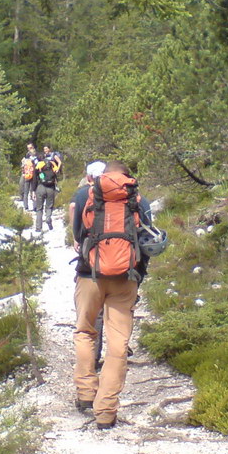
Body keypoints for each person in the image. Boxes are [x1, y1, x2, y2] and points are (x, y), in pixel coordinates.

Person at [71, 160, 150, 429]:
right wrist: (138, 275)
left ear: (104, 174)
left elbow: (78, 234)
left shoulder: (87, 193)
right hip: (125, 278)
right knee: (118, 345)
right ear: (127, 176)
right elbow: (148, 243)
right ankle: (105, 412)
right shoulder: (138, 198)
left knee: (85, 331)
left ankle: (85, 394)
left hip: (89, 275)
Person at [32, 149, 60, 233]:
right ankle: (48, 218)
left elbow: (34, 179)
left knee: (39, 208)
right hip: (51, 188)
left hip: (40, 187)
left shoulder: (38, 165)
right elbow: (56, 174)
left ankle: (38, 228)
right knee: (49, 206)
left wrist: (33, 190)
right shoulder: (52, 163)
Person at [18, 142, 36, 211]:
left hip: (34, 174)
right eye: (28, 148)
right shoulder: (27, 155)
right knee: (24, 189)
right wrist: (23, 171)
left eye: (30, 148)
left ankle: (34, 206)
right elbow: (23, 164)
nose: (29, 149)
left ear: (33, 147)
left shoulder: (36, 155)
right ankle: (25, 206)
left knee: (33, 190)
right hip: (27, 174)